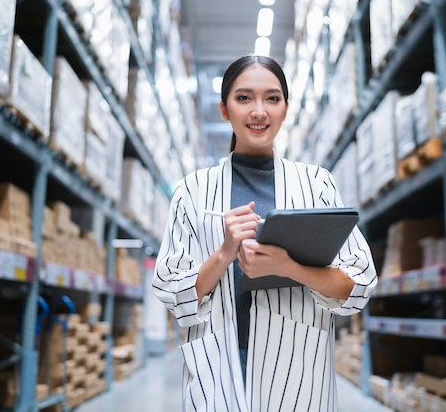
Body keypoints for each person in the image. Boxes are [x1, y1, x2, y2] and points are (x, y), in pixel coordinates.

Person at [152, 54, 378, 412]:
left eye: (272, 98)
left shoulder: (316, 185)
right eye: (244, 98)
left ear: (285, 109)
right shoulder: (192, 192)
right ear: (225, 110)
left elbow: (360, 283)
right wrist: (224, 254)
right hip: (217, 368)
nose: (259, 111)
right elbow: (170, 289)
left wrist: (290, 268)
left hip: (298, 368)